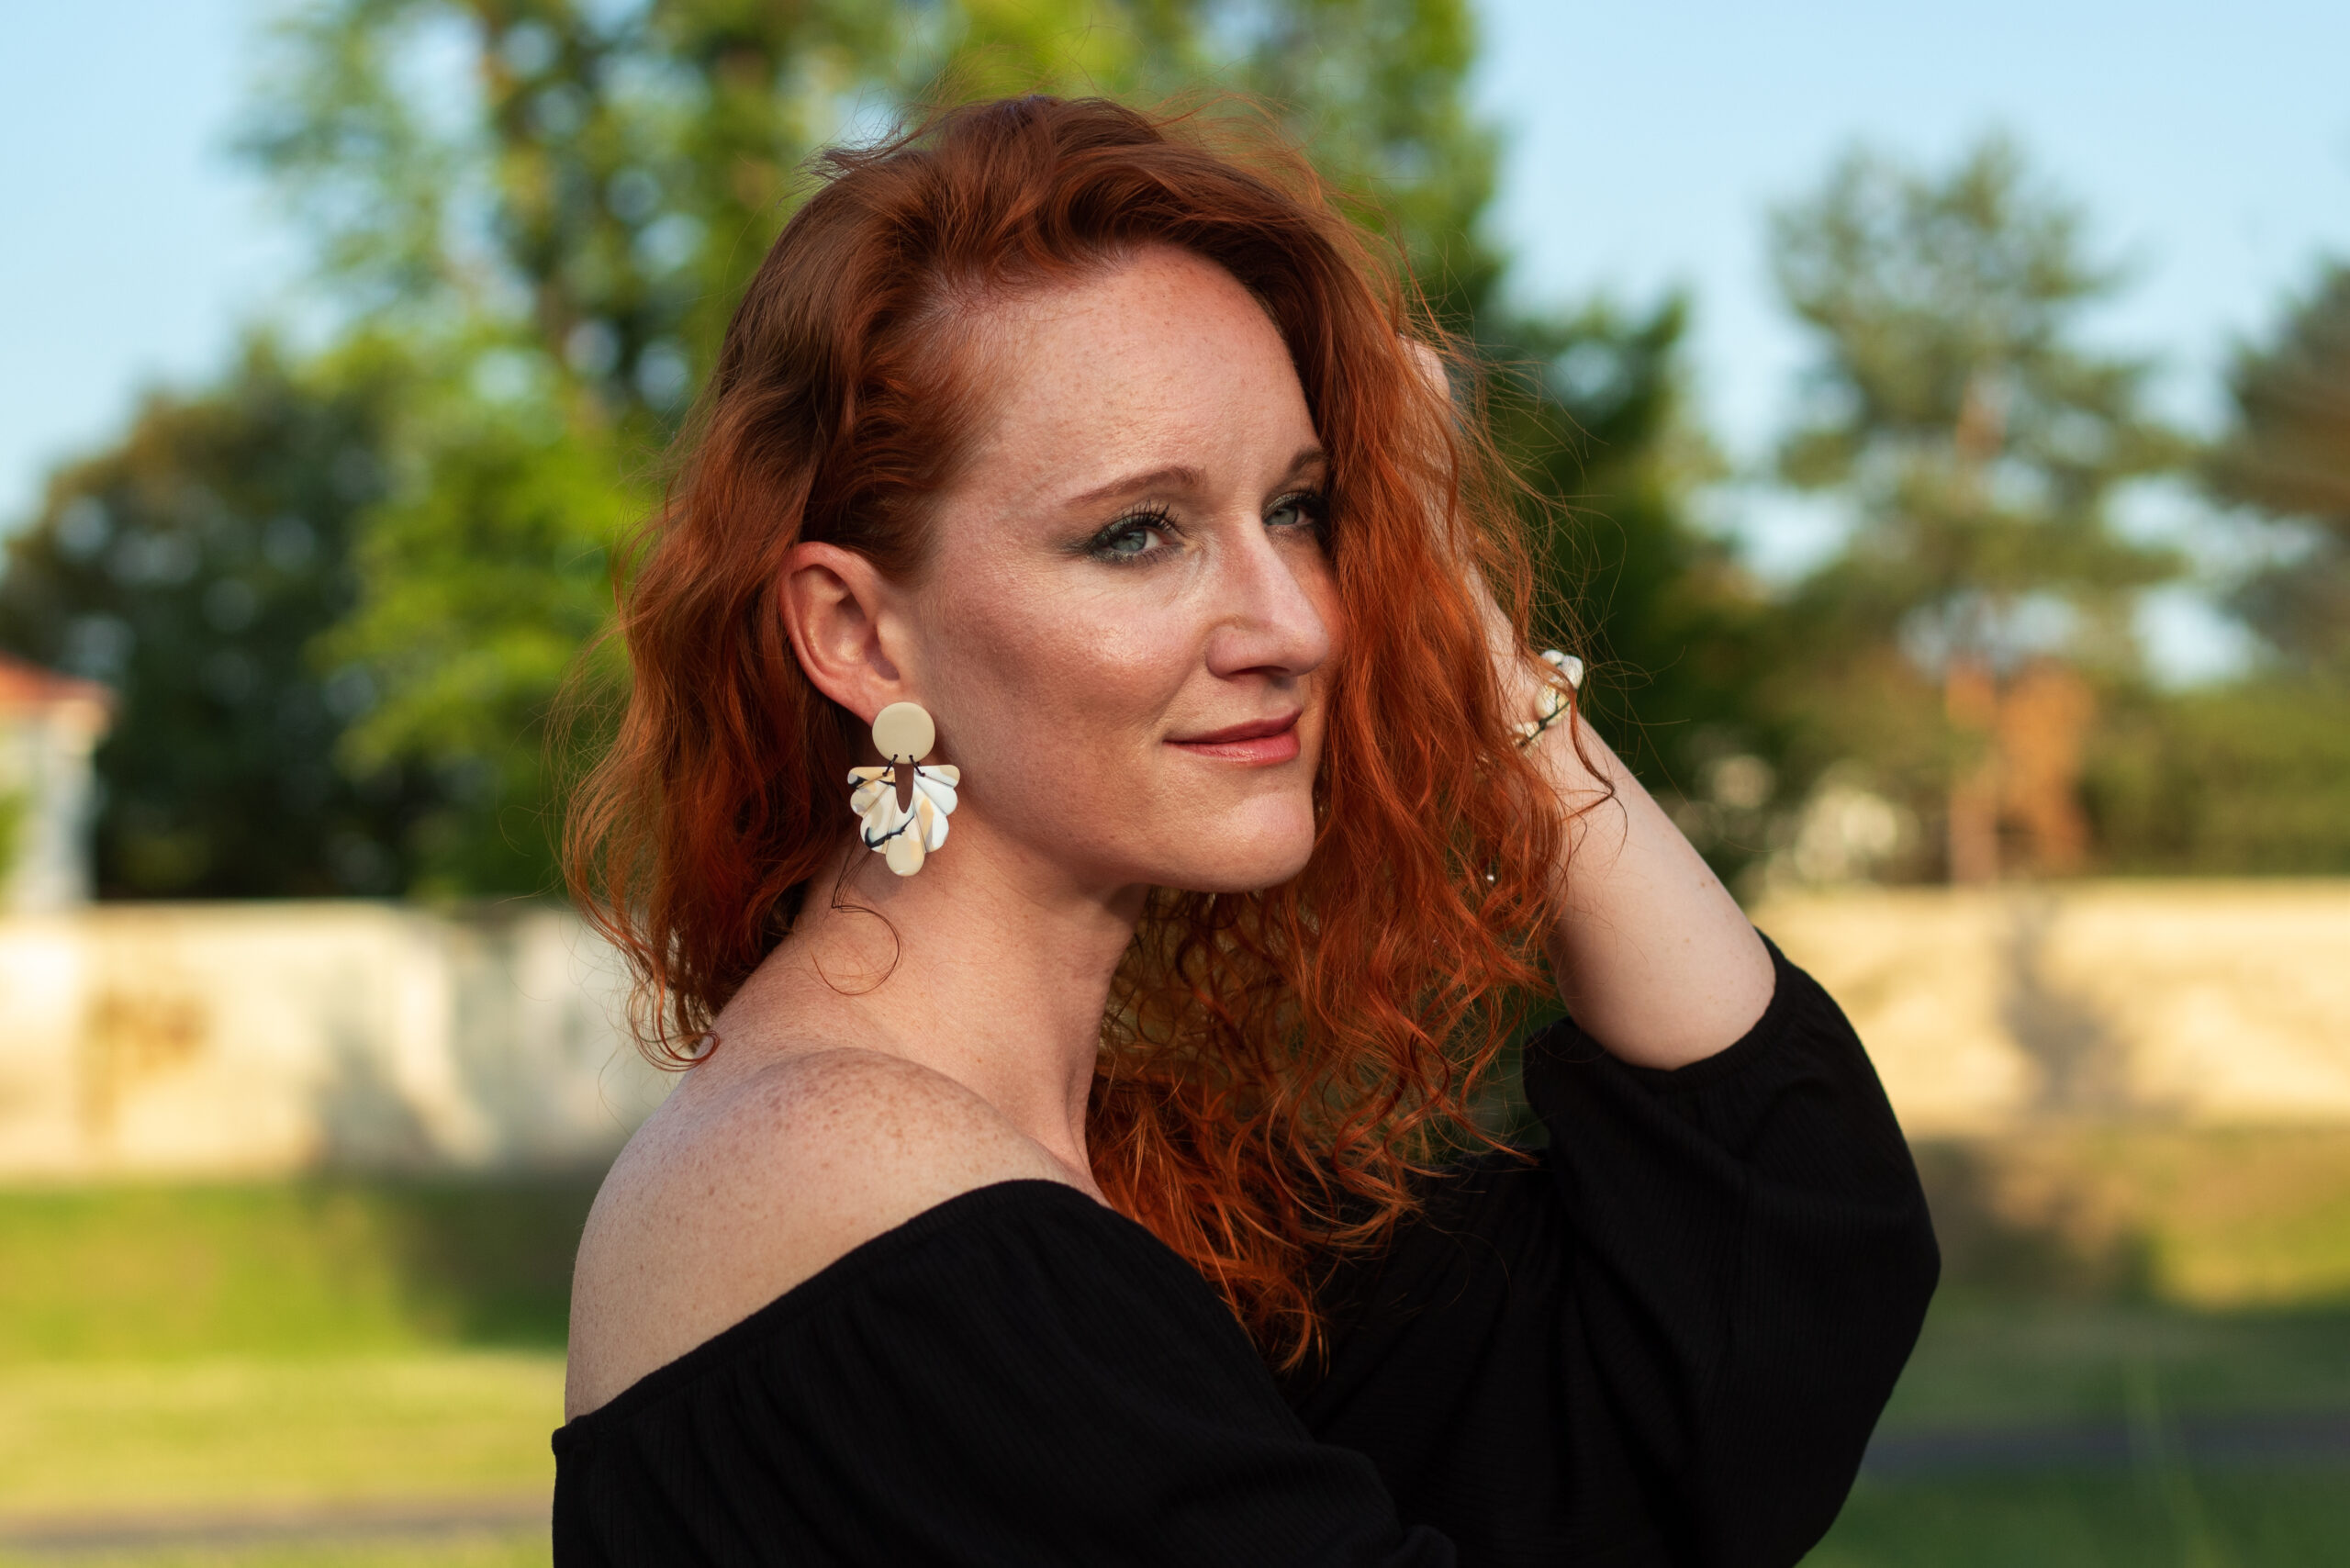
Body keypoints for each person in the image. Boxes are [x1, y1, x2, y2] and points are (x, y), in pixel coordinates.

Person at [552, 95, 1938, 1567]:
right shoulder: (864, 1187)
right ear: (857, 633)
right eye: (1136, 533)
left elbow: (1768, 1281)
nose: (1296, 626)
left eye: (1300, 509)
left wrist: (1471, 639)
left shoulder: (1126, 1180)